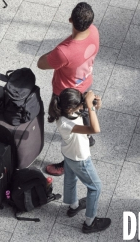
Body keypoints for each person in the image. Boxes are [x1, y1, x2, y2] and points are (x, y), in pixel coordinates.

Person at [37, 2, 99, 176]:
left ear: (70, 19)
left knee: (70, 133)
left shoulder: (63, 52)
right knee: (85, 113)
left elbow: (41, 63)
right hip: (86, 85)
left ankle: (68, 163)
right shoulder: (94, 32)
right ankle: (88, 136)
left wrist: (56, 52)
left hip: (66, 96)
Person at [47, 88, 111, 234]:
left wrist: (95, 105)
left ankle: (73, 206)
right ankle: (90, 222)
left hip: (69, 154)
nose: (82, 105)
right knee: (96, 187)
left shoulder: (63, 111)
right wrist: (89, 106)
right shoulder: (66, 123)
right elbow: (95, 129)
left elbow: (89, 112)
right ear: (71, 107)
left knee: (70, 179)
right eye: (80, 103)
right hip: (80, 158)